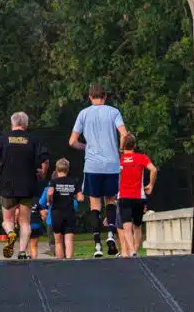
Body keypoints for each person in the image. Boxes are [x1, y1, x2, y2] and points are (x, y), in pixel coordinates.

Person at [69, 83, 128, 258]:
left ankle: (97, 245)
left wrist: (85, 147)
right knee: (111, 202)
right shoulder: (113, 112)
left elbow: (72, 141)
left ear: (89, 97)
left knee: (95, 205)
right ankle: (111, 234)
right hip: (111, 164)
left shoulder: (83, 114)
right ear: (105, 96)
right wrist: (121, 150)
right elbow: (124, 134)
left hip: (93, 166)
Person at [0, 112, 49, 260]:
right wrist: (43, 173)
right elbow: (45, 160)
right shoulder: (33, 140)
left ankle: (10, 233)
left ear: (12, 123)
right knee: (25, 222)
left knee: (7, 220)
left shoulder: (2, 139)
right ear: (26, 124)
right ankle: (22, 252)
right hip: (28, 186)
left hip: (7, 186)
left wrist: (0, 168)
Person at [117, 134, 157, 257]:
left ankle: (132, 251)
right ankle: (134, 249)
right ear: (134, 145)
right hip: (139, 197)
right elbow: (153, 170)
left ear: (123, 145)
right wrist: (150, 185)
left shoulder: (119, 160)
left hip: (123, 197)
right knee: (137, 227)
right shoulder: (142, 157)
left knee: (126, 227)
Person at [47, 158, 84, 259]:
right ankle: (69, 262)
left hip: (57, 213)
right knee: (69, 240)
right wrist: (73, 195)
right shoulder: (74, 181)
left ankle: (60, 263)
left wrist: (49, 200)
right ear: (67, 169)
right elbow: (81, 198)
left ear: (56, 169)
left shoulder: (53, 181)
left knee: (58, 241)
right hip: (69, 213)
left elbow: (50, 193)